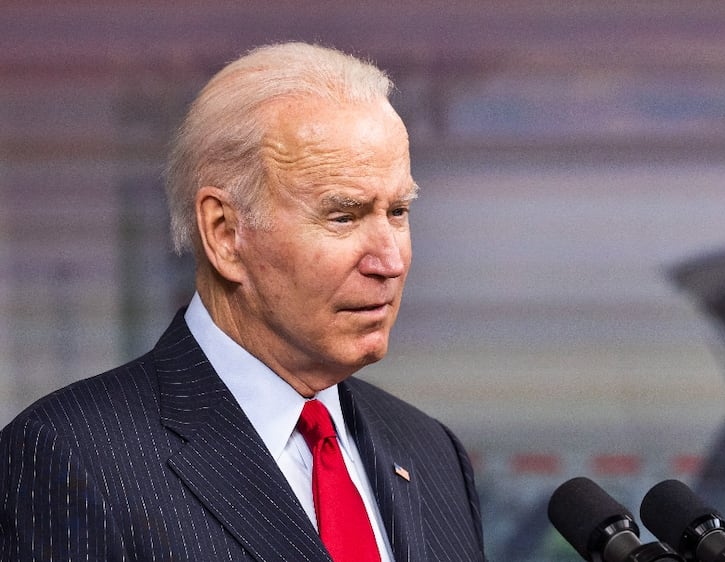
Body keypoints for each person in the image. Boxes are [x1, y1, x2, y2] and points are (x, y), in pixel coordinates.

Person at [0, 42, 486, 561]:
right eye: (343, 216)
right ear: (225, 232)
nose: (389, 261)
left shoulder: (433, 454)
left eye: (397, 212)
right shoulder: (71, 458)